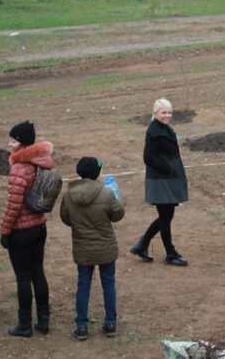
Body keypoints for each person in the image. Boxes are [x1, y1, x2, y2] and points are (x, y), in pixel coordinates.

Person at [60, 157, 125, 341]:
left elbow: (66, 219)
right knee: (109, 284)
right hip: (106, 247)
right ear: (97, 173)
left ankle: (81, 326)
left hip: (83, 248)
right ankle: (110, 323)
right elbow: (117, 215)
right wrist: (117, 198)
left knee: (83, 286)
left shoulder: (69, 195)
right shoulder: (106, 193)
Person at [0, 120, 53, 338]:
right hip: (39, 226)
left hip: (21, 231)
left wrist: (4, 231)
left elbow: (13, 205)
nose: (9, 144)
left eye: (13, 140)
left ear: (21, 143)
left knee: (23, 277)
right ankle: (43, 320)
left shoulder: (19, 168)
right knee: (38, 273)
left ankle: (24, 325)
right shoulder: (40, 162)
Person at [130, 99, 189, 266]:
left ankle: (142, 245)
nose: (167, 115)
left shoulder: (164, 129)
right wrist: (167, 168)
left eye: (169, 112)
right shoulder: (154, 131)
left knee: (166, 216)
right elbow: (148, 157)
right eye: (164, 112)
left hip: (166, 179)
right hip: (161, 180)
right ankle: (170, 253)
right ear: (155, 113)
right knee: (165, 217)